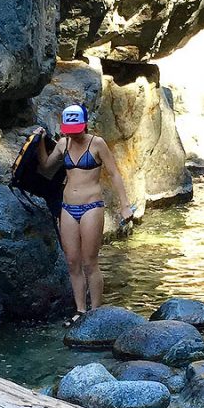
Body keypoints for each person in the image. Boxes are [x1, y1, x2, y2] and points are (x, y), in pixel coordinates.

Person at [48, 104, 131, 319]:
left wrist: (124, 205)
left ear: (84, 125)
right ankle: (80, 310)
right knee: (72, 261)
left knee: (89, 261)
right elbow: (45, 168)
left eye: (76, 129)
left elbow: (114, 174)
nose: (73, 134)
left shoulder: (97, 144)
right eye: (69, 129)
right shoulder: (62, 144)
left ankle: (96, 312)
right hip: (67, 207)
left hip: (91, 206)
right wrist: (37, 143)